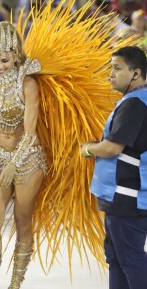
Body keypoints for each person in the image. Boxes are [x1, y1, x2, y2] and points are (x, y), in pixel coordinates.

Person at [0, 21, 47, 289]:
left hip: (28, 160)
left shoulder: (28, 82)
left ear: (15, 55)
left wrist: (16, 163)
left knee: (22, 220)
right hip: (0, 157)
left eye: (4, 60)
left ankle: (15, 285)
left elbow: (31, 130)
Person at [81, 46, 147, 289]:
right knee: (118, 259)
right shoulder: (137, 101)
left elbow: (112, 148)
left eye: (117, 69)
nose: (110, 74)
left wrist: (87, 149)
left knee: (130, 259)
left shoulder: (134, 105)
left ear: (136, 74)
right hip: (125, 199)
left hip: (127, 199)